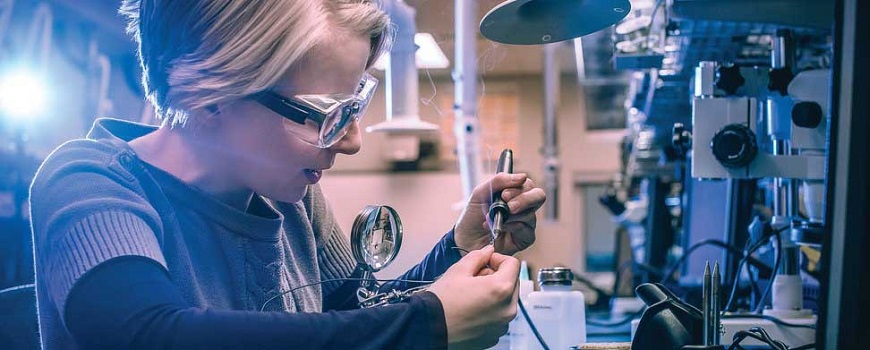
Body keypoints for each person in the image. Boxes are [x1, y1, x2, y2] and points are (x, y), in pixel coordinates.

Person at [28, 0, 547, 349]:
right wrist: (427, 324)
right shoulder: (89, 181)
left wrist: (460, 246)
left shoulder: (291, 199)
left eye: (354, 107)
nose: (352, 139)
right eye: (323, 113)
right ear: (208, 93)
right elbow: (147, 334)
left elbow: (355, 314)